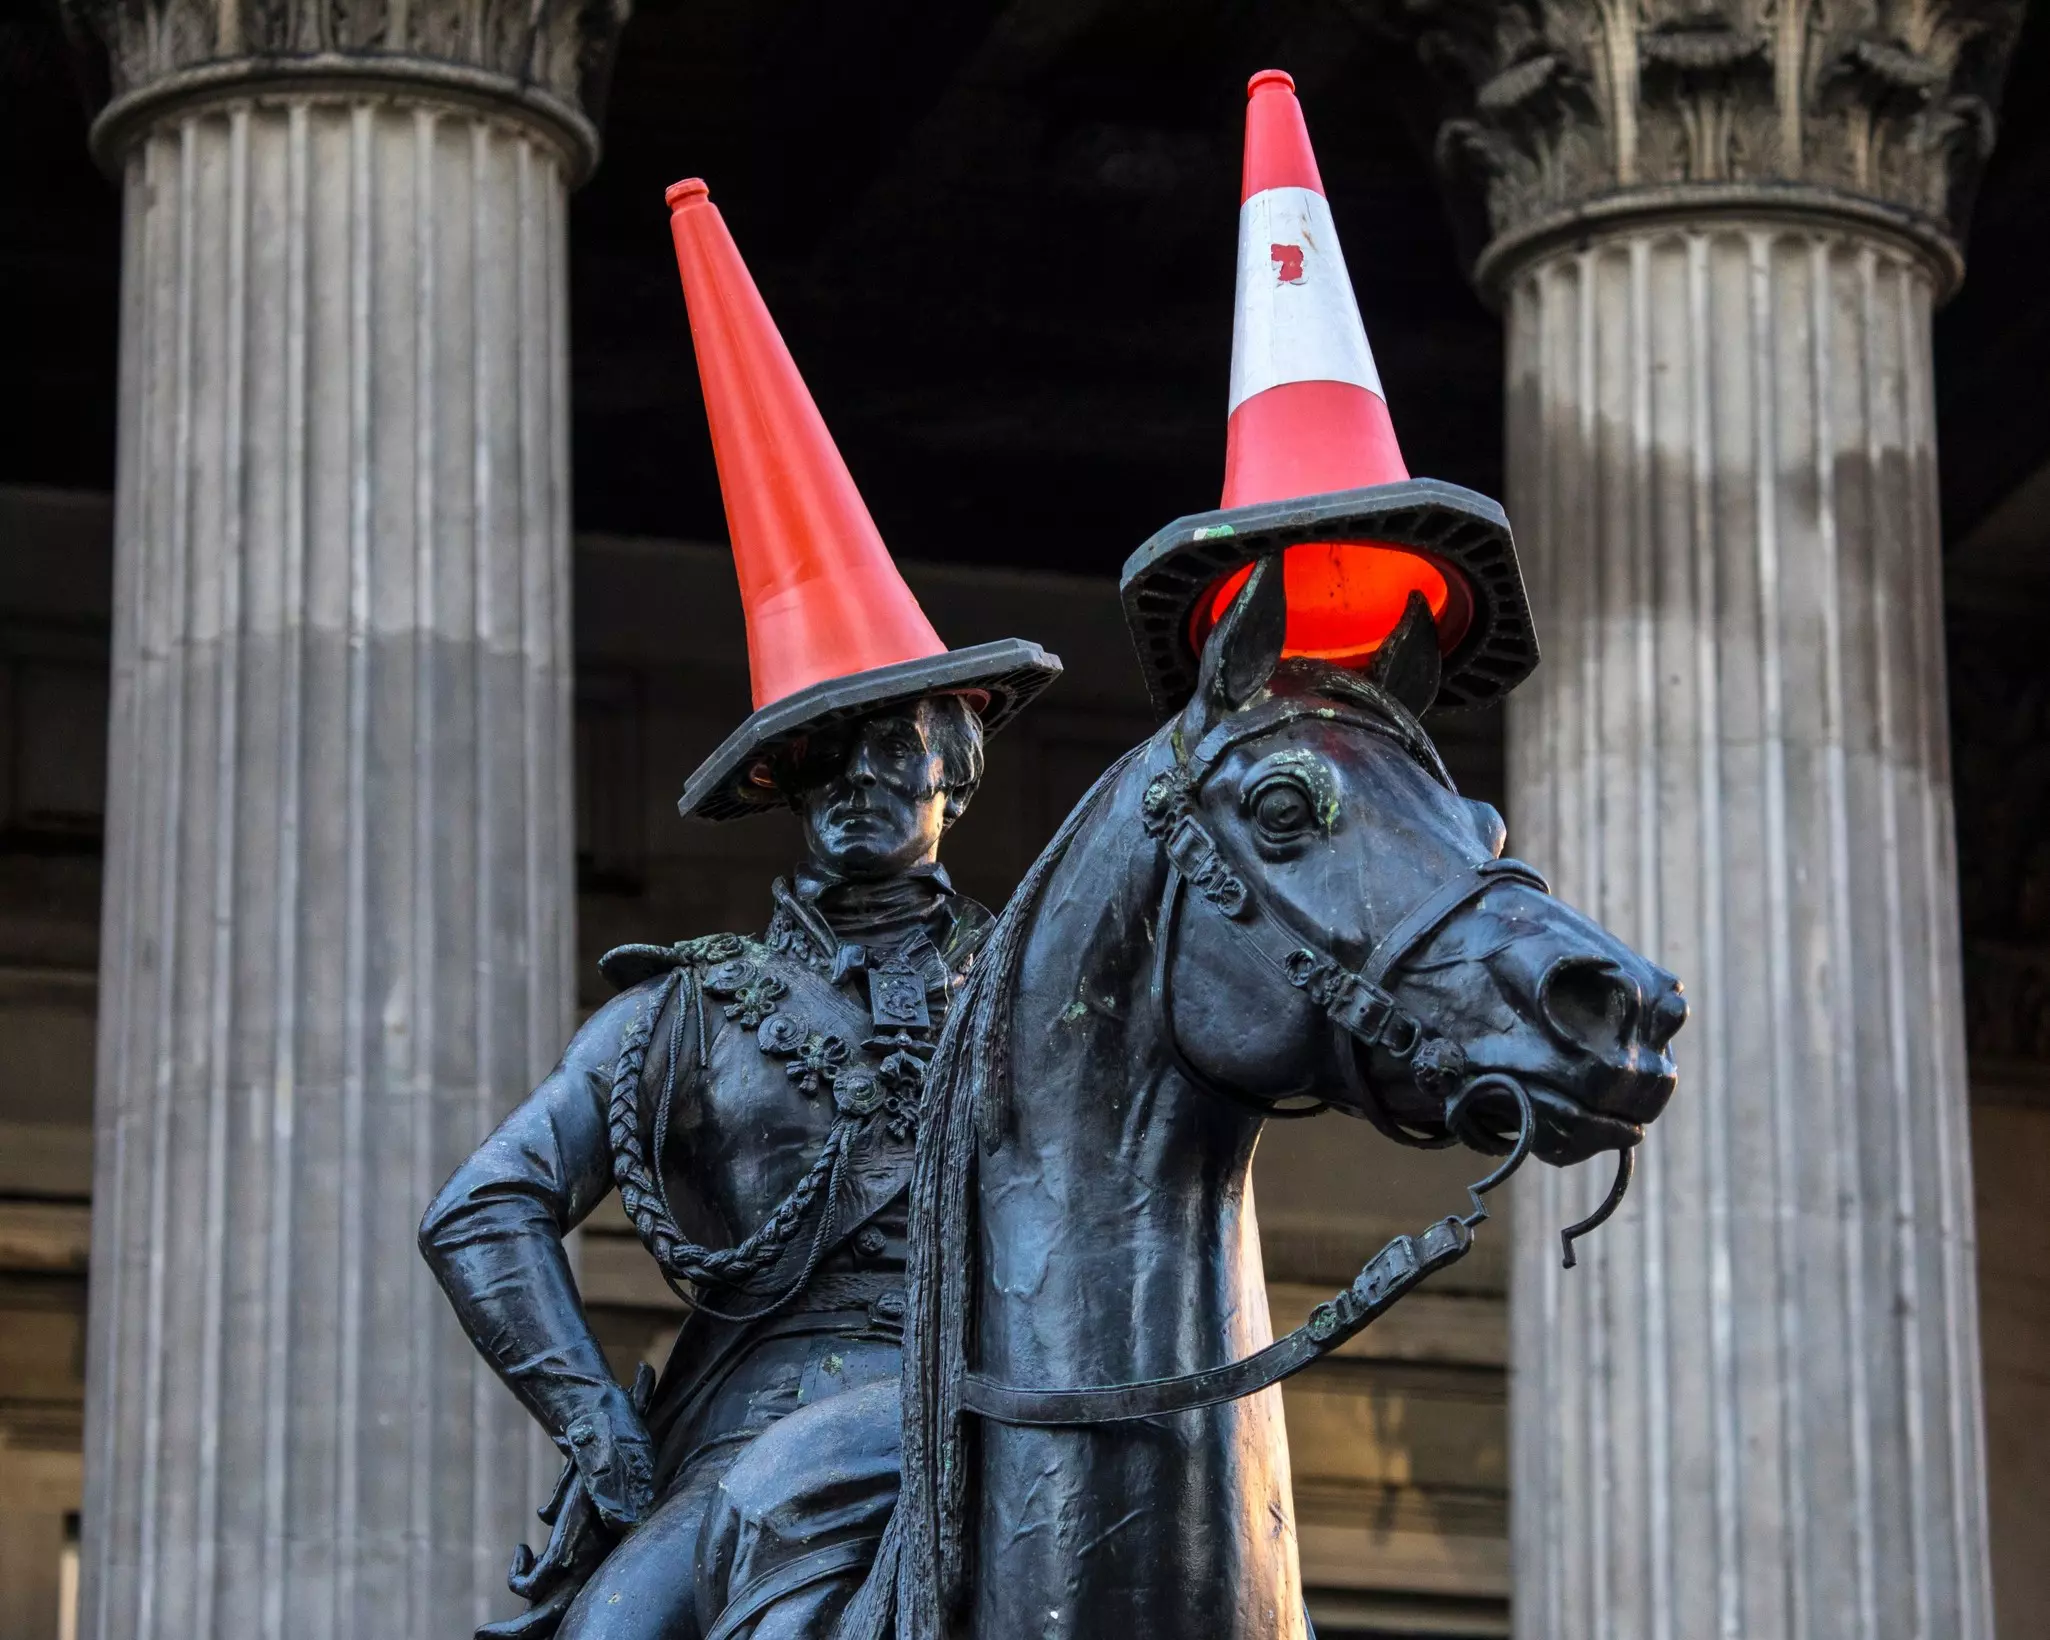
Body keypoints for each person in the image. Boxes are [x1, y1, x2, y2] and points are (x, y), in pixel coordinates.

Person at [419, 177, 1058, 1640]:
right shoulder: (682, 1010)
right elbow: (484, 1206)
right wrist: (594, 1420)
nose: (852, 782)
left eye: (887, 746)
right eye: (816, 756)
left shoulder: (1039, 986)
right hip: (754, 1430)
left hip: (1023, 1413)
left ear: (955, 760)